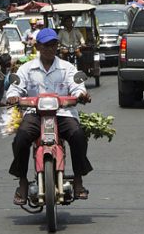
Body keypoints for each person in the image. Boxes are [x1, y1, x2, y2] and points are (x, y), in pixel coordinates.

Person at [6, 28, 92, 205]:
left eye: (53, 45)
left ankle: (78, 179)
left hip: (62, 113)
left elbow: (77, 85)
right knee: (21, 138)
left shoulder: (67, 68)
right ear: (38, 47)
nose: (50, 49)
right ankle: (22, 181)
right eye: (46, 45)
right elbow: (15, 88)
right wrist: (13, 96)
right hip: (34, 114)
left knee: (78, 135)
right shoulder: (27, 69)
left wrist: (81, 94)